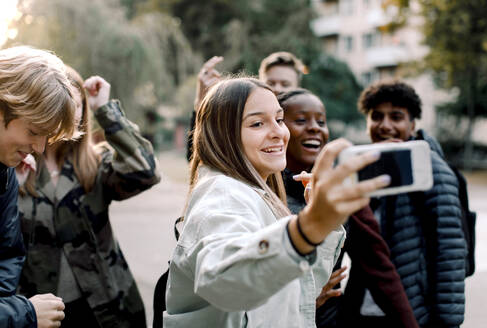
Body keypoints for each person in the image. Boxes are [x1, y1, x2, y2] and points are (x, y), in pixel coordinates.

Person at [163, 77, 390, 327]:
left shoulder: (256, 193)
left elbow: (298, 291)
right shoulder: (224, 194)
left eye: (279, 119)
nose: (279, 133)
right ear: (222, 134)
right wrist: (308, 227)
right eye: (258, 123)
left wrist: (323, 226)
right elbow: (226, 282)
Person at [16, 66, 161, 328]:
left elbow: (146, 172)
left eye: (79, 102)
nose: (73, 109)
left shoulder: (95, 162)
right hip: (41, 310)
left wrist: (105, 111)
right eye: (64, 101)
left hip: (107, 307)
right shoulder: (15, 164)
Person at [278, 89, 419, 328]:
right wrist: (307, 297)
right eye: (301, 120)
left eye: (321, 121)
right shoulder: (260, 187)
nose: (315, 128)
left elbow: (380, 269)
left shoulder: (344, 188)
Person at [355, 80, 466, 327]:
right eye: (376, 117)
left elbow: (450, 253)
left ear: (412, 124)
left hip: (413, 315)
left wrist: (447, 322)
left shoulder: (431, 168)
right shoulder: (368, 167)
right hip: (367, 310)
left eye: (396, 117)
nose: (385, 126)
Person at [0, 46, 76, 328]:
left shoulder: (5, 170)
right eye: (33, 132)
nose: (39, 148)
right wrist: (24, 315)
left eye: (46, 136)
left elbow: (7, 257)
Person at [187, 51, 307, 160]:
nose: (277, 89)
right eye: (271, 83)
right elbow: (198, 158)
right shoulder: (240, 116)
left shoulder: (309, 128)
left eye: (285, 84)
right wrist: (201, 104)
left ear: (298, 88)